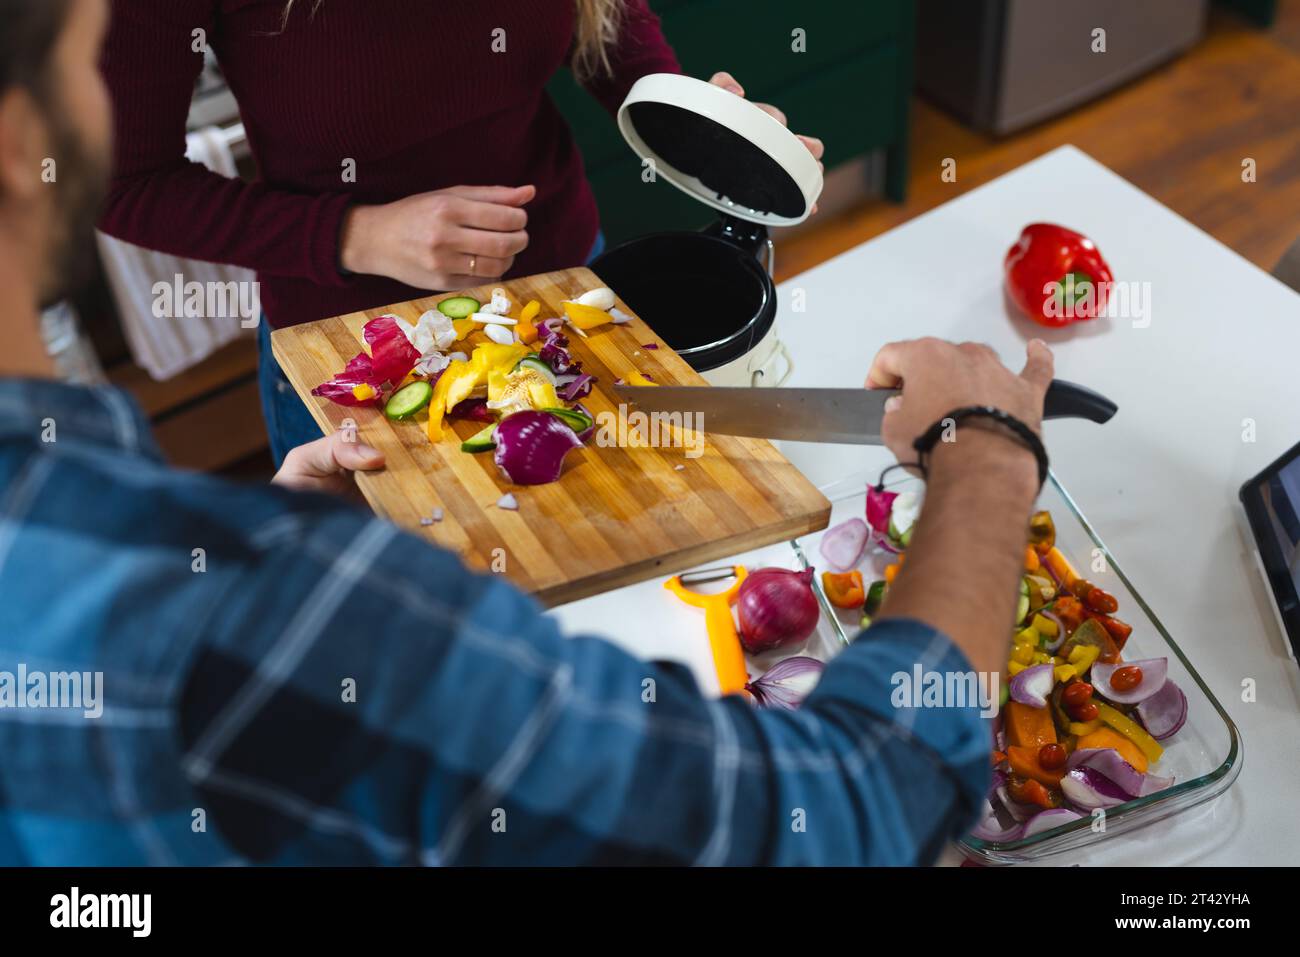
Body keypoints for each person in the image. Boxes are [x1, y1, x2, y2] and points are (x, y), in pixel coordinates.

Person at [1, 0, 1052, 866]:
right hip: (350, 334)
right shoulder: (291, 606)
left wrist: (682, 107)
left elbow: (606, 17)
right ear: (21, 146)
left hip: (562, 276)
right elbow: (846, 813)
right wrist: (989, 451)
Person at [95, 0, 824, 465]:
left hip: (562, 291)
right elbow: (118, 181)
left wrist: (685, 113)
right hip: (359, 346)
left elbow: (608, 16)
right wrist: (355, 234)